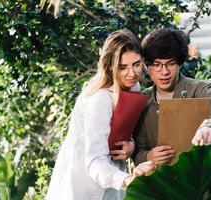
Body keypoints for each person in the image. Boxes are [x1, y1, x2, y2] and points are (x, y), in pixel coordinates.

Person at [132, 28, 211, 199]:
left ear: (180, 63)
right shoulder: (141, 101)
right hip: (165, 192)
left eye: (170, 63)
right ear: (147, 66)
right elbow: (136, 150)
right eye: (156, 65)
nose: (164, 72)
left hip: (207, 192)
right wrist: (148, 156)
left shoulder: (201, 89)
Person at [46, 29, 155, 200]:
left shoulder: (133, 87)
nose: (132, 73)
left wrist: (131, 145)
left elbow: (124, 130)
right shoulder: (99, 99)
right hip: (84, 186)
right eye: (122, 67)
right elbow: (95, 160)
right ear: (109, 66)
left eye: (136, 64)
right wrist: (127, 179)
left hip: (113, 181)